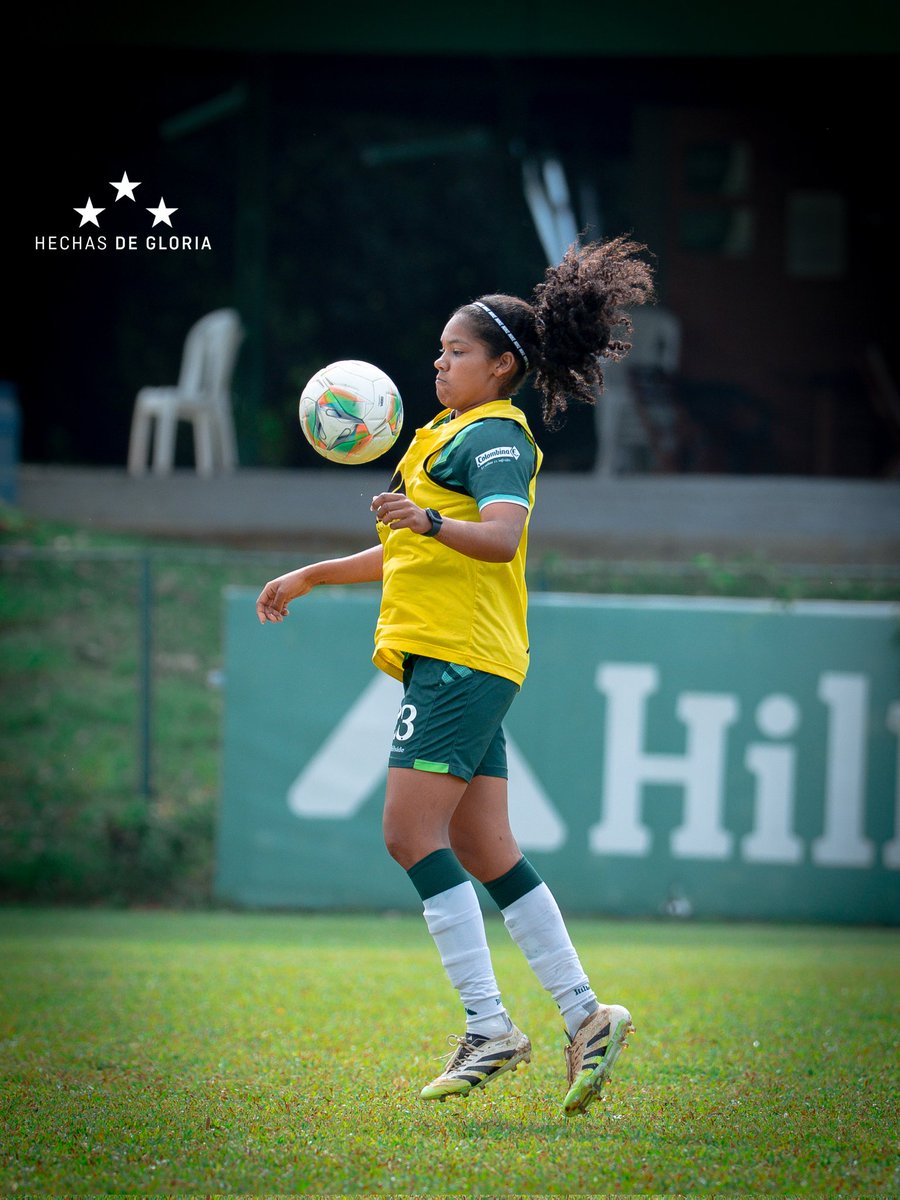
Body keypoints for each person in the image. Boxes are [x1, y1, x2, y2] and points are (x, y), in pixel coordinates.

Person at [256, 236, 655, 1114]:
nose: (438, 363)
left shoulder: (496, 438)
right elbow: (410, 548)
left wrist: (429, 523)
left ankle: (488, 1026)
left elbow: (501, 537)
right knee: (483, 848)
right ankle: (587, 1017)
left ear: (501, 366)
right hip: (455, 661)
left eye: (456, 351)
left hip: (461, 660)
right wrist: (315, 574)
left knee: (408, 833)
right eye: (438, 351)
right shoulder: (442, 436)